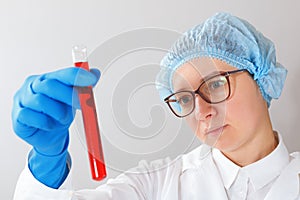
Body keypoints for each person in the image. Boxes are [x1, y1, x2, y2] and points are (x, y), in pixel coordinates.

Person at [12, 12, 300, 200]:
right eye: (185, 99)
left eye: (214, 84)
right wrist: (46, 164)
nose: (202, 112)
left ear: (261, 77)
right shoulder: (155, 184)